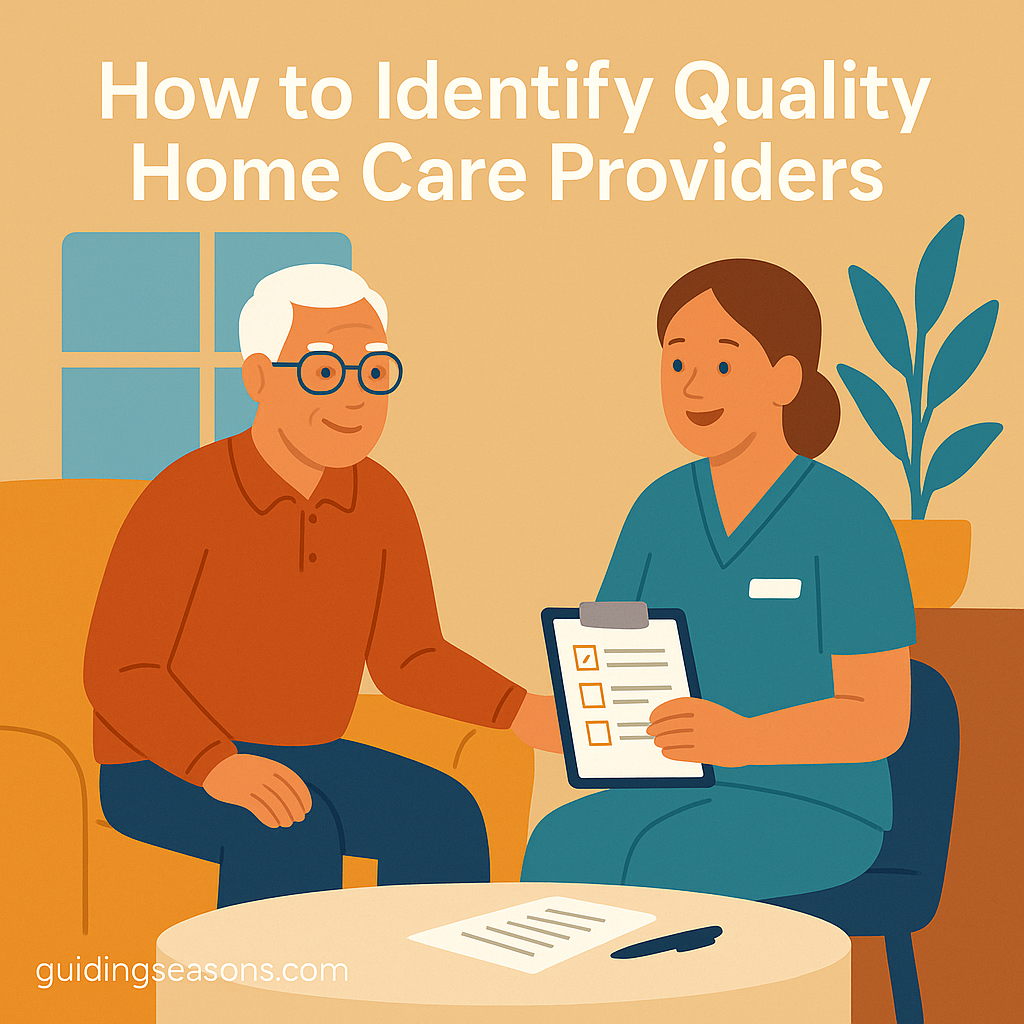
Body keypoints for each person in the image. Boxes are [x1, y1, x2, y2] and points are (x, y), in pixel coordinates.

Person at [85, 263, 559, 909]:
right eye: (323, 372)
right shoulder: (185, 495)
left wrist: (517, 708)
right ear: (258, 378)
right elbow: (121, 669)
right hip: (160, 766)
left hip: (310, 753)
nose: (356, 396)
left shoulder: (381, 498)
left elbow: (407, 657)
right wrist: (216, 764)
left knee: (444, 814)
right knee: (291, 831)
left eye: (375, 371)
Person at [521, 258, 916, 900]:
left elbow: (880, 718)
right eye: (677, 364)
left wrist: (743, 738)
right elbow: (611, 647)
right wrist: (580, 716)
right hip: (672, 791)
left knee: (658, 862)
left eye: (725, 364)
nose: (694, 387)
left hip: (815, 806)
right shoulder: (659, 509)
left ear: (785, 379)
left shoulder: (847, 519)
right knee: (562, 840)